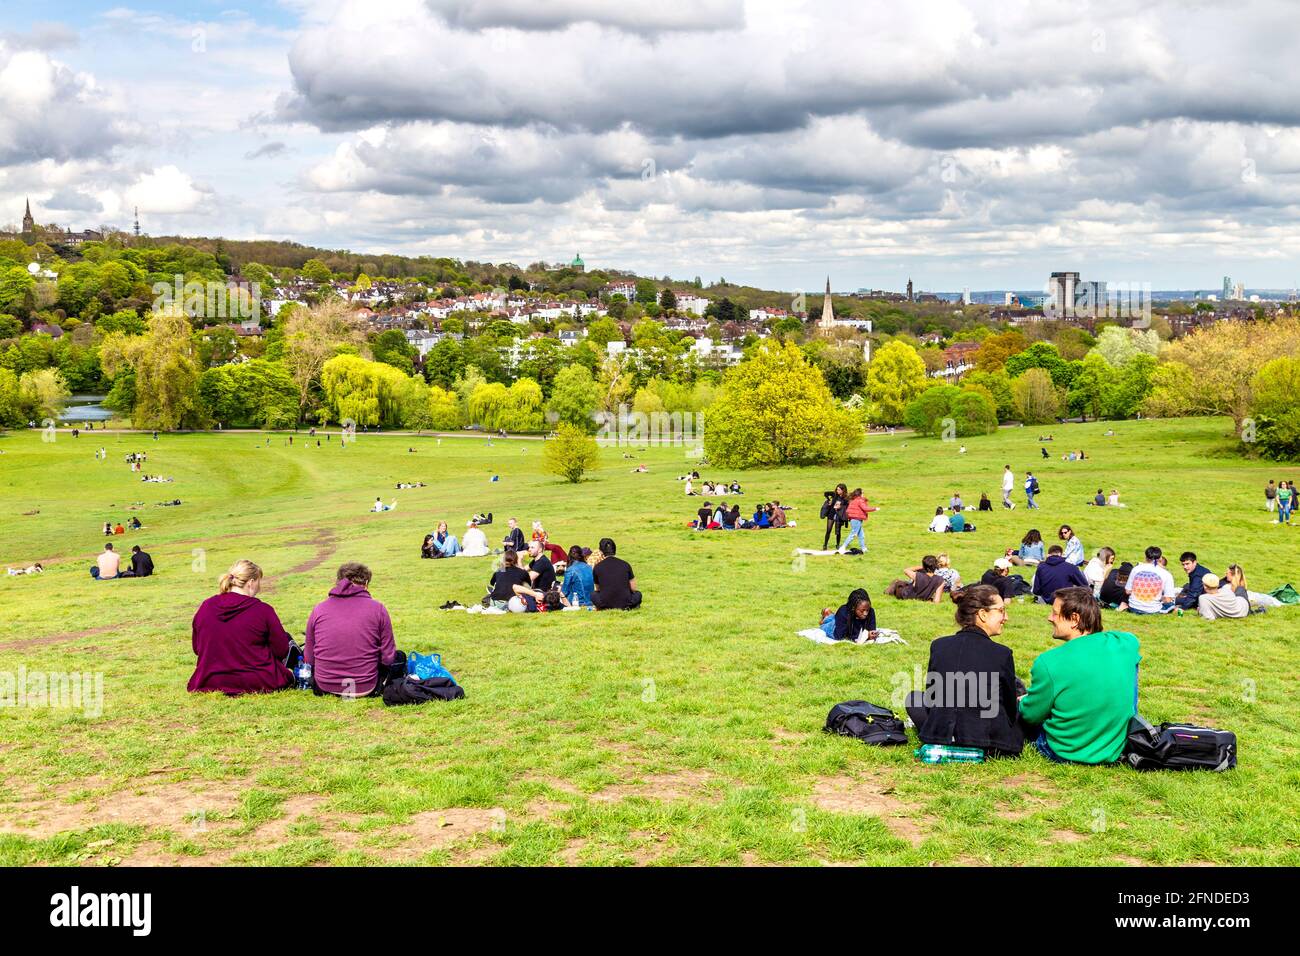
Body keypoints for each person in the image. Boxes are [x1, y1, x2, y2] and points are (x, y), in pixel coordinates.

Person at [1018, 587, 1140, 764]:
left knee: (1016, 704)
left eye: (1054, 613)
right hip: (1115, 747)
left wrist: (1022, 703)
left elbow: (1031, 716)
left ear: (1074, 619)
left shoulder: (1048, 662)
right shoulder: (1126, 644)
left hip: (1067, 750)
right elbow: (1129, 638)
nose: (1049, 618)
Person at [905, 585, 1024, 758]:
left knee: (915, 698)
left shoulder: (939, 645)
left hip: (943, 735)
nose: (1006, 617)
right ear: (982, 614)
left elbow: (932, 698)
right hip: (991, 741)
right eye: (1001, 611)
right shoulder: (1002, 653)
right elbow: (1010, 709)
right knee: (1025, 704)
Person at [188, 559, 295, 695]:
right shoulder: (263, 610)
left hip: (211, 679)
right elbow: (281, 650)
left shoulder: (206, 606)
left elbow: (197, 648)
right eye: (259, 582)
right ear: (251, 582)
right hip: (258, 680)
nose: (259, 587)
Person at [305, 563, 405, 697]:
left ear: (338, 582)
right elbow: (388, 657)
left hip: (325, 685)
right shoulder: (378, 608)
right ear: (366, 583)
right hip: (365, 685)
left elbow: (309, 658)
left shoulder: (319, 609)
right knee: (400, 656)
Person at [1121, 546, 1177, 614]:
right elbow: (1168, 599)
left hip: (1133, 607)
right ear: (1160, 558)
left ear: (1145, 557)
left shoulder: (1136, 569)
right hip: (1153, 610)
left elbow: (1127, 591)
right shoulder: (1166, 574)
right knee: (1171, 604)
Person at [592, 538, 641, 610]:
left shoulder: (597, 567)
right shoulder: (625, 564)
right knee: (638, 594)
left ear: (601, 551)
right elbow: (633, 588)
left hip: (605, 603)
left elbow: (598, 589)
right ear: (615, 550)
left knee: (593, 594)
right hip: (626, 602)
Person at [840, 488, 878, 553]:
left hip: (855, 519)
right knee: (853, 534)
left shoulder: (854, 500)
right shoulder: (860, 500)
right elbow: (865, 508)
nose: (863, 494)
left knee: (861, 535)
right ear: (860, 494)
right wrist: (875, 509)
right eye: (862, 493)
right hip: (856, 519)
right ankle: (843, 547)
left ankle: (863, 548)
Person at [821, 483, 848, 550]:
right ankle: (825, 545)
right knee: (828, 530)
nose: (837, 491)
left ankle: (837, 545)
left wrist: (841, 506)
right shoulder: (834, 494)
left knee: (838, 531)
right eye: (837, 489)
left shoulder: (845, 498)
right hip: (831, 514)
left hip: (839, 515)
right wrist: (829, 499)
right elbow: (826, 493)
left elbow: (847, 506)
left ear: (843, 490)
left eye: (839, 490)